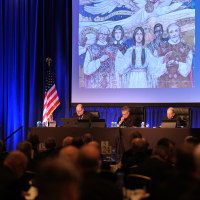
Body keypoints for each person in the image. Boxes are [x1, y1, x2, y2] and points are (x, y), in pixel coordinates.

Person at [157, 23, 193, 88]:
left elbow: (187, 70)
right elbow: (157, 69)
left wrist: (178, 64)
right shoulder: (160, 48)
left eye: (176, 31)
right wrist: (165, 65)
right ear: (168, 33)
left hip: (182, 83)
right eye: (171, 32)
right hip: (165, 84)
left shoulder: (187, 48)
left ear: (179, 31)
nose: (174, 34)